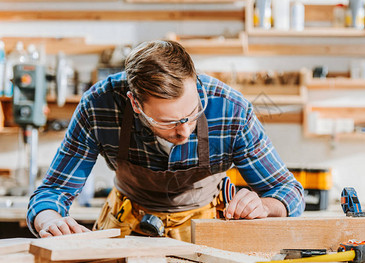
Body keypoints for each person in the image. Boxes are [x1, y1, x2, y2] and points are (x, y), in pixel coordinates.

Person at [27, 40, 305, 241]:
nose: (184, 131)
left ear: (195, 84)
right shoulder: (98, 106)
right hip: (126, 223)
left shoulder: (231, 109)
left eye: (192, 113)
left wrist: (264, 206)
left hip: (207, 229)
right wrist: (49, 220)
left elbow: (289, 192)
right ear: (135, 104)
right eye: (168, 122)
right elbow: (52, 192)